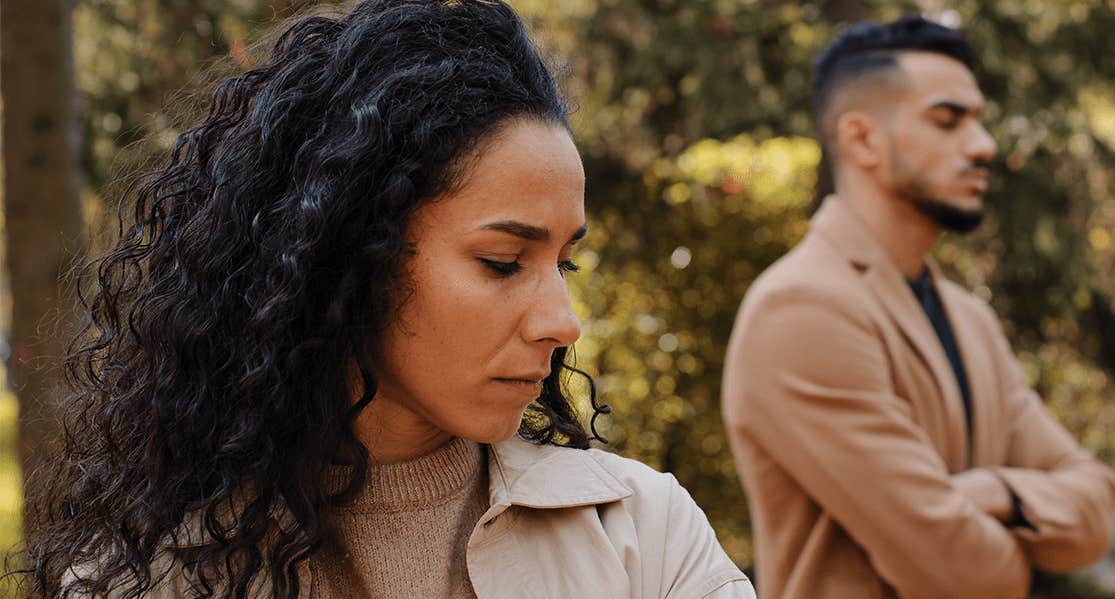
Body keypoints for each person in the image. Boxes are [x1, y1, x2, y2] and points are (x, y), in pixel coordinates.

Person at [19, 1, 754, 597]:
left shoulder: (644, 539)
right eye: (503, 262)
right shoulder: (160, 578)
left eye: (566, 263)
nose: (563, 322)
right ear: (345, 254)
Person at [722, 16, 1115, 599]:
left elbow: (1098, 504)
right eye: (948, 120)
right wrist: (1025, 534)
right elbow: (965, 575)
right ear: (862, 140)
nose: (984, 145)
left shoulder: (970, 318)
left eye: (979, 120)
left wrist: (994, 492)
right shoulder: (802, 308)